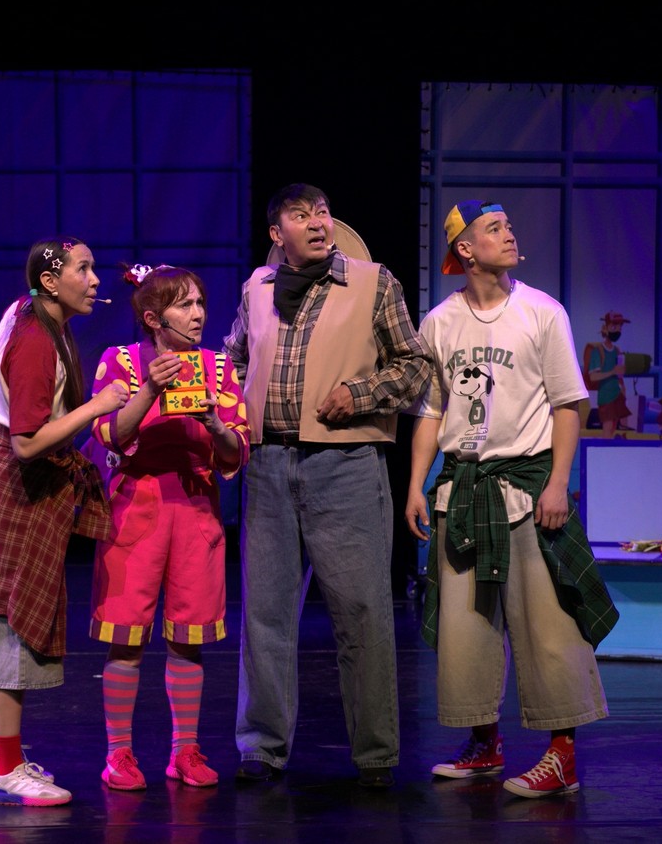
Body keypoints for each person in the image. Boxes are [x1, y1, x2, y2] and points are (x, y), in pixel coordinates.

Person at [404, 199, 619, 799]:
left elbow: (569, 404)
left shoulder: (542, 311)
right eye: (494, 228)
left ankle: (562, 755)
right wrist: (416, 484)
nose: (509, 234)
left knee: (550, 624)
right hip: (462, 488)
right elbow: (431, 411)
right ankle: (485, 743)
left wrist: (558, 482)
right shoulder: (439, 322)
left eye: (508, 226)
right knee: (466, 626)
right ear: (465, 249)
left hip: (526, 486)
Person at [224, 183, 431, 788]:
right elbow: (234, 360)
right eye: (301, 214)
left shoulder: (373, 282)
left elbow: (415, 364)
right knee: (265, 614)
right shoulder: (257, 289)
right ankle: (261, 747)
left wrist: (360, 394)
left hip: (345, 465)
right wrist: (223, 409)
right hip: (268, 464)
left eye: (322, 212)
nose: (318, 222)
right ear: (277, 233)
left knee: (362, 612)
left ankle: (375, 755)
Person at [0, 236, 129, 807]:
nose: (96, 279)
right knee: (11, 624)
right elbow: (27, 443)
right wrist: (96, 407)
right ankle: (7, 771)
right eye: (85, 268)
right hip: (16, 488)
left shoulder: (25, 311)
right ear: (51, 282)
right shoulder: (37, 340)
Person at [89, 263, 250, 791]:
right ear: (154, 318)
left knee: (187, 640)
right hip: (134, 511)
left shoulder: (218, 368)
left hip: (196, 512)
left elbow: (237, 450)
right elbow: (108, 434)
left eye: (200, 302)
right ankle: (118, 754)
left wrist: (215, 425)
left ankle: (185, 750)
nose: (198, 313)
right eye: (185, 305)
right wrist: (149, 391)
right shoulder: (120, 361)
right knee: (126, 641)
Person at [583, 311, 632, 438]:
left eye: (620, 327)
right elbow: (593, 376)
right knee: (608, 426)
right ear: (606, 327)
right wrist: (612, 372)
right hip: (606, 396)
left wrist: (623, 387)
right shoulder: (598, 351)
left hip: (617, 394)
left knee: (622, 424)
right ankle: (604, 448)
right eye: (614, 326)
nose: (618, 330)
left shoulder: (617, 351)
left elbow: (619, 375)